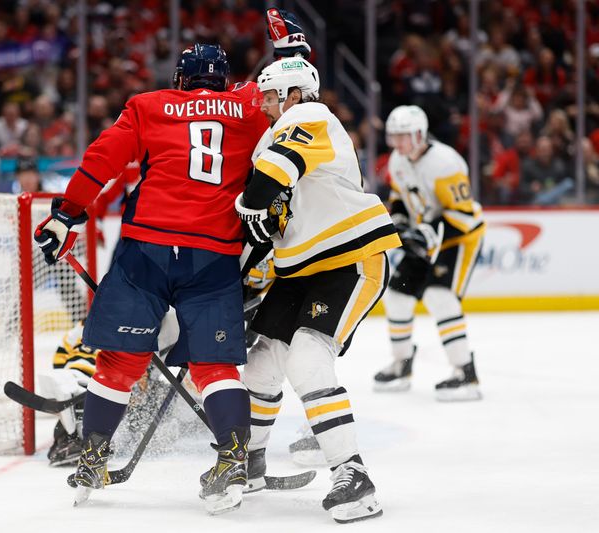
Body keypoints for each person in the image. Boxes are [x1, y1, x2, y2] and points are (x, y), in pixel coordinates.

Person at [34, 44, 270, 514]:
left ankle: (94, 456)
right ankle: (233, 461)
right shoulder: (252, 108)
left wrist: (67, 215)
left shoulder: (148, 105)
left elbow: (101, 160)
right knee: (214, 365)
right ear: (224, 80)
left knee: (120, 358)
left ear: (181, 79)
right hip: (214, 253)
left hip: (147, 249)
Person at [233, 56, 401, 523]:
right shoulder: (269, 139)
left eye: (270, 95)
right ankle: (250, 463)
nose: (263, 103)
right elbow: (265, 222)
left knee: (307, 357)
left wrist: (250, 206)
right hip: (298, 271)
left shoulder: (311, 115)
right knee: (263, 361)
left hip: (350, 259)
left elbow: (267, 186)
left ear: (293, 94)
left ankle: (353, 475)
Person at [373, 105, 485, 401]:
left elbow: (462, 214)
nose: (397, 143)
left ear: (420, 134)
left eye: (404, 136)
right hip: (427, 236)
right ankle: (401, 364)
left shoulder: (446, 163)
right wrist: (399, 218)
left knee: (440, 297)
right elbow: (400, 197)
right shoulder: (398, 160)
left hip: (458, 238)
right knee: (397, 297)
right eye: (393, 136)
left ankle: (465, 372)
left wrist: (426, 232)